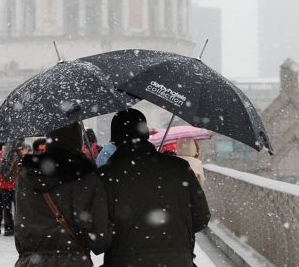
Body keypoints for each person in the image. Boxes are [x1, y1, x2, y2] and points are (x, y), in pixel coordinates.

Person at [100, 109, 210, 267]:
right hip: (177, 261)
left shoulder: (106, 175)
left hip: (125, 261)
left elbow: (98, 236)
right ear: (145, 133)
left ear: (115, 138)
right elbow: (201, 218)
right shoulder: (179, 168)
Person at [13, 123, 110, 266]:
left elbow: (21, 227)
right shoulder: (86, 180)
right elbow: (100, 241)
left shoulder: (25, 178)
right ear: (78, 142)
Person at [0, 139, 26, 236]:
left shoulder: (8, 156)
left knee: (12, 209)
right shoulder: (8, 155)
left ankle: (11, 228)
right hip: (10, 186)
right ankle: (13, 228)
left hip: (10, 186)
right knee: (12, 209)